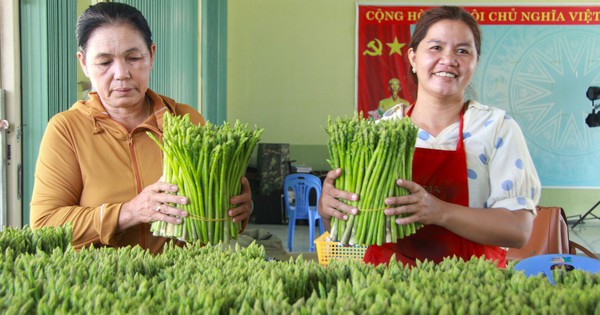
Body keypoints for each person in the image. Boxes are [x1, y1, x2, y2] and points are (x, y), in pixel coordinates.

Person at [319, 6, 541, 268]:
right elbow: (351, 232)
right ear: (413, 57)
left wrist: (439, 212)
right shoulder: (381, 130)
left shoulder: (497, 127)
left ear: (475, 61)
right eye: (435, 47)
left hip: (474, 283)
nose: (448, 59)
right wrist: (328, 208)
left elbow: (518, 230)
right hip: (387, 282)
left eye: (463, 50)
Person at [30, 2, 253, 254]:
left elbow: (210, 223)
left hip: (186, 280)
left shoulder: (185, 120)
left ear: (152, 55)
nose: (121, 73)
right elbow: (44, 224)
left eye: (133, 58)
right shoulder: (67, 129)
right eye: (104, 62)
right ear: (83, 63)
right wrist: (129, 212)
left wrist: (237, 209)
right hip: (100, 286)